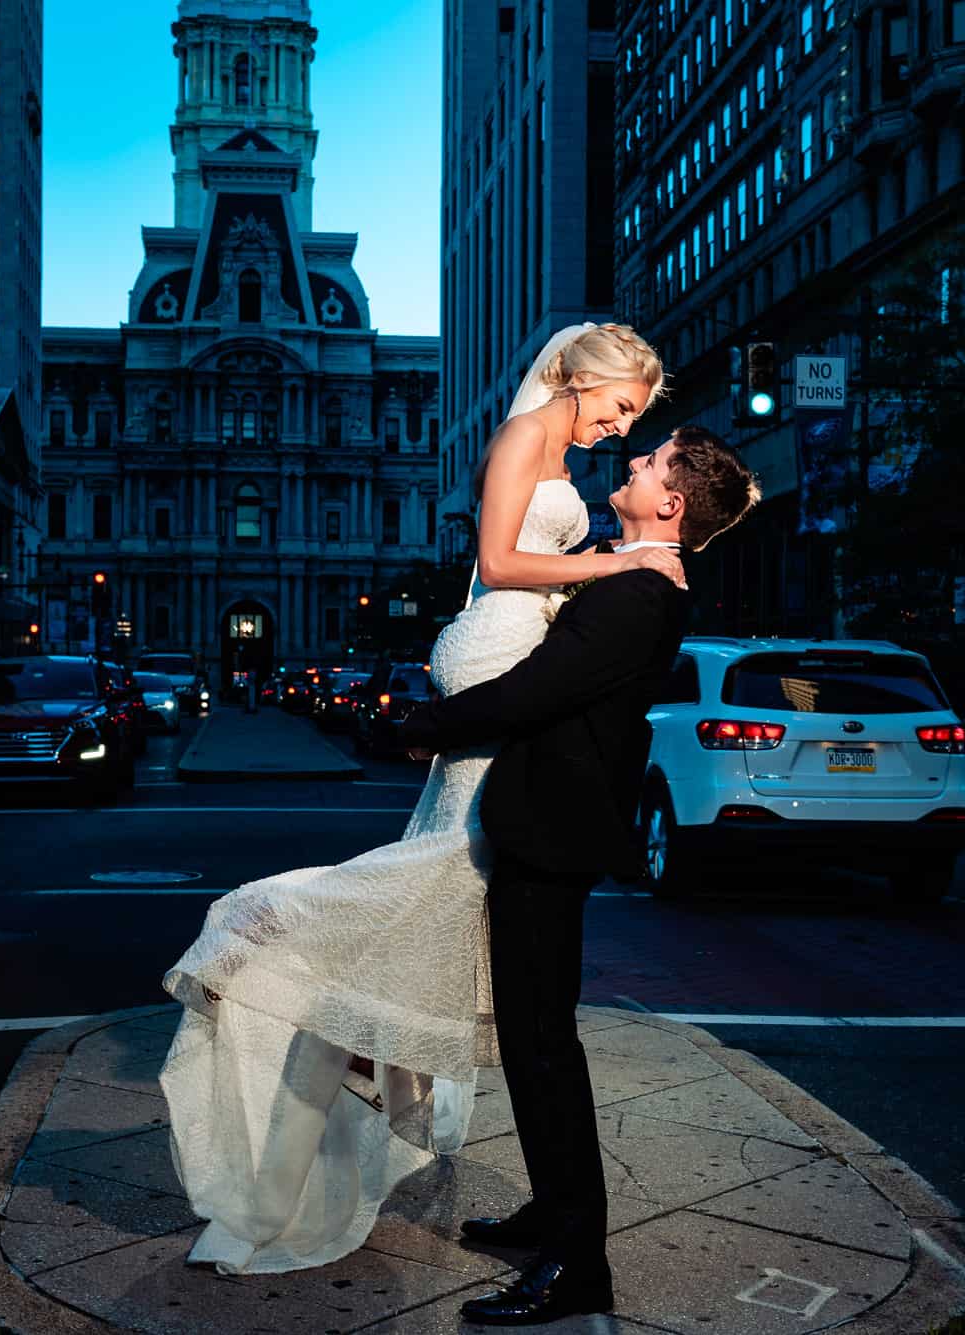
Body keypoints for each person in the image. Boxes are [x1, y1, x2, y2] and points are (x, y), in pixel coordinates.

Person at [158, 323, 681, 1275]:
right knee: (419, 927)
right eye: (622, 405)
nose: (625, 425)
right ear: (575, 377)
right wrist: (615, 562)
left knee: (440, 946)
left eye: (637, 419)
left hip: (509, 712)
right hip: (498, 694)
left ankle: (302, 1171)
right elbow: (504, 563)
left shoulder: (563, 458)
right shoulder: (527, 439)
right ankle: (286, 1152)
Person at [400, 427, 759, 1325]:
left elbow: (537, 691)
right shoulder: (634, 575)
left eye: (649, 463)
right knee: (535, 1040)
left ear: (672, 502)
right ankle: (551, 1214)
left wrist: (420, 723)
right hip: (553, 822)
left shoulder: (640, 591)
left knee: (543, 1045)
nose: (630, 462)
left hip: (553, 830)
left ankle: (577, 1265)